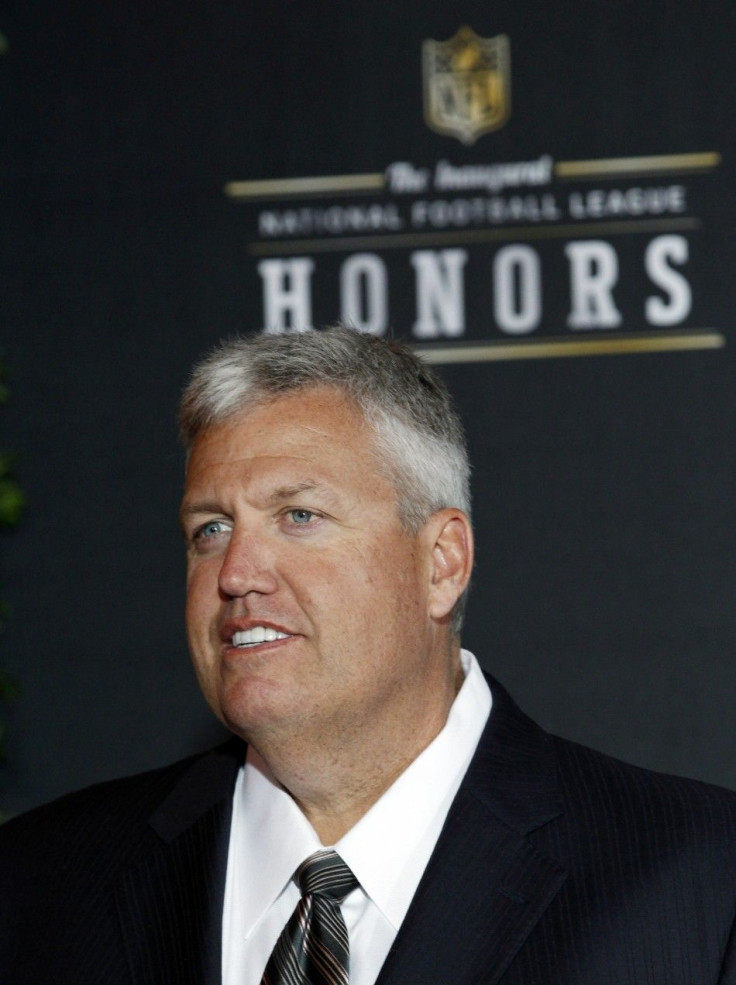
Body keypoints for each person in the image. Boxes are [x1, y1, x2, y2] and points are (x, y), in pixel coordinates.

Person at [1, 325, 735, 984]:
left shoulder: (697, 880)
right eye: (212, 529)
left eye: (299, 515)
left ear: (441, 562)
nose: (236, 573)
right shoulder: (38, 883)